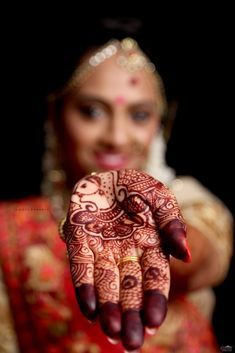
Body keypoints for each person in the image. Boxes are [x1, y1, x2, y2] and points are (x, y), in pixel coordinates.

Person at [0, 31, 233, 353]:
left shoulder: (190, 203)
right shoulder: (10, 228)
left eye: (139, 115)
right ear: (55, 114)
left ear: (160, 124)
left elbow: (200, 263)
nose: (117, 137)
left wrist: (145, 225)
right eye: (92, 111)